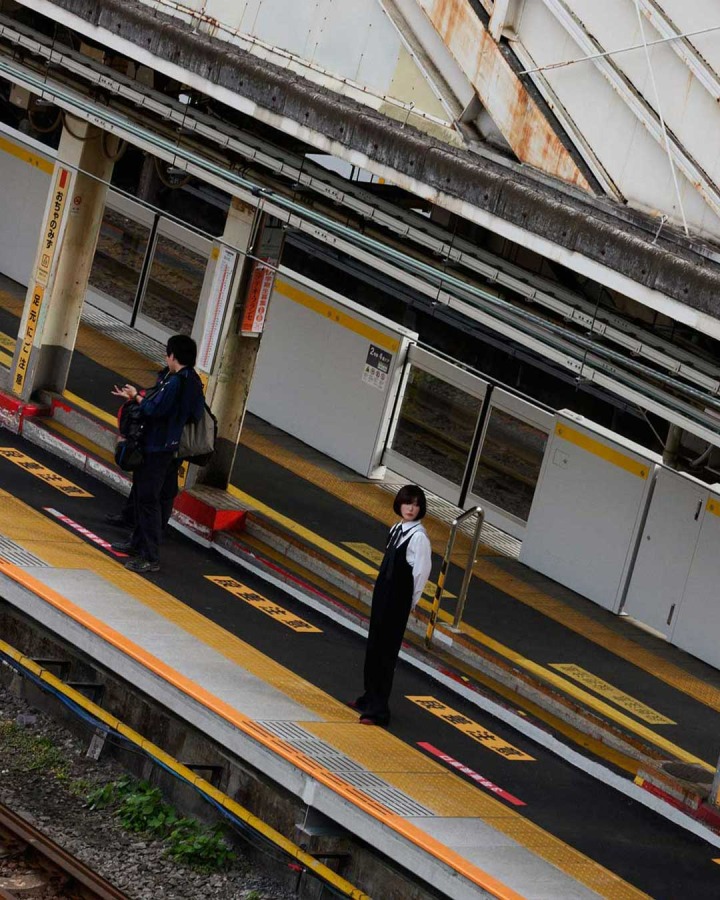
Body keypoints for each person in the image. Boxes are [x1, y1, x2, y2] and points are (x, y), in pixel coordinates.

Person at [111, 334, 205, 573]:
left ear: (174, 355)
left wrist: (136, 397)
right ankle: (137, 544)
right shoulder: (192, 381)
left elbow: (155, 409)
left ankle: (150, 556)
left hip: (156, 446)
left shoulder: (175, 382)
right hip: (171, 447)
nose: (166, 356)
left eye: (168, 353)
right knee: (152, 498)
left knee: (147, 500)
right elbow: (195, 414)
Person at [351, 485, 432, 727]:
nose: (411, 508)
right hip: (383, 594)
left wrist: (411, 603)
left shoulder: (419, 538)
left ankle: (379, 710)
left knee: (386, 653)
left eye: (416, 504)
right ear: (399, 503)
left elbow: (421, 574)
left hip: (398, 599)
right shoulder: (397, 528)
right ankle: (369, 697)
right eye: (407, 502)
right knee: (374, 645)